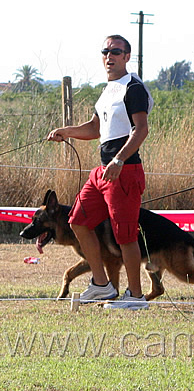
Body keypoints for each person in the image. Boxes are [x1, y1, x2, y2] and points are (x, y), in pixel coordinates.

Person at [48, 34, 153, 310]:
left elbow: (141, 129)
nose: (110, 56)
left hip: (124, 170)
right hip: (103, 172)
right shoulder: (108, 90)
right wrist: (65, 132)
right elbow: (95, 129)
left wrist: (119, 160)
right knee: (77, 221)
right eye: (105, 51)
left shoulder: (133, 87)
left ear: (127, 57)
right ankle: (101, 285)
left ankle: (135, 297)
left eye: (116, 52)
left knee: (125, 236)